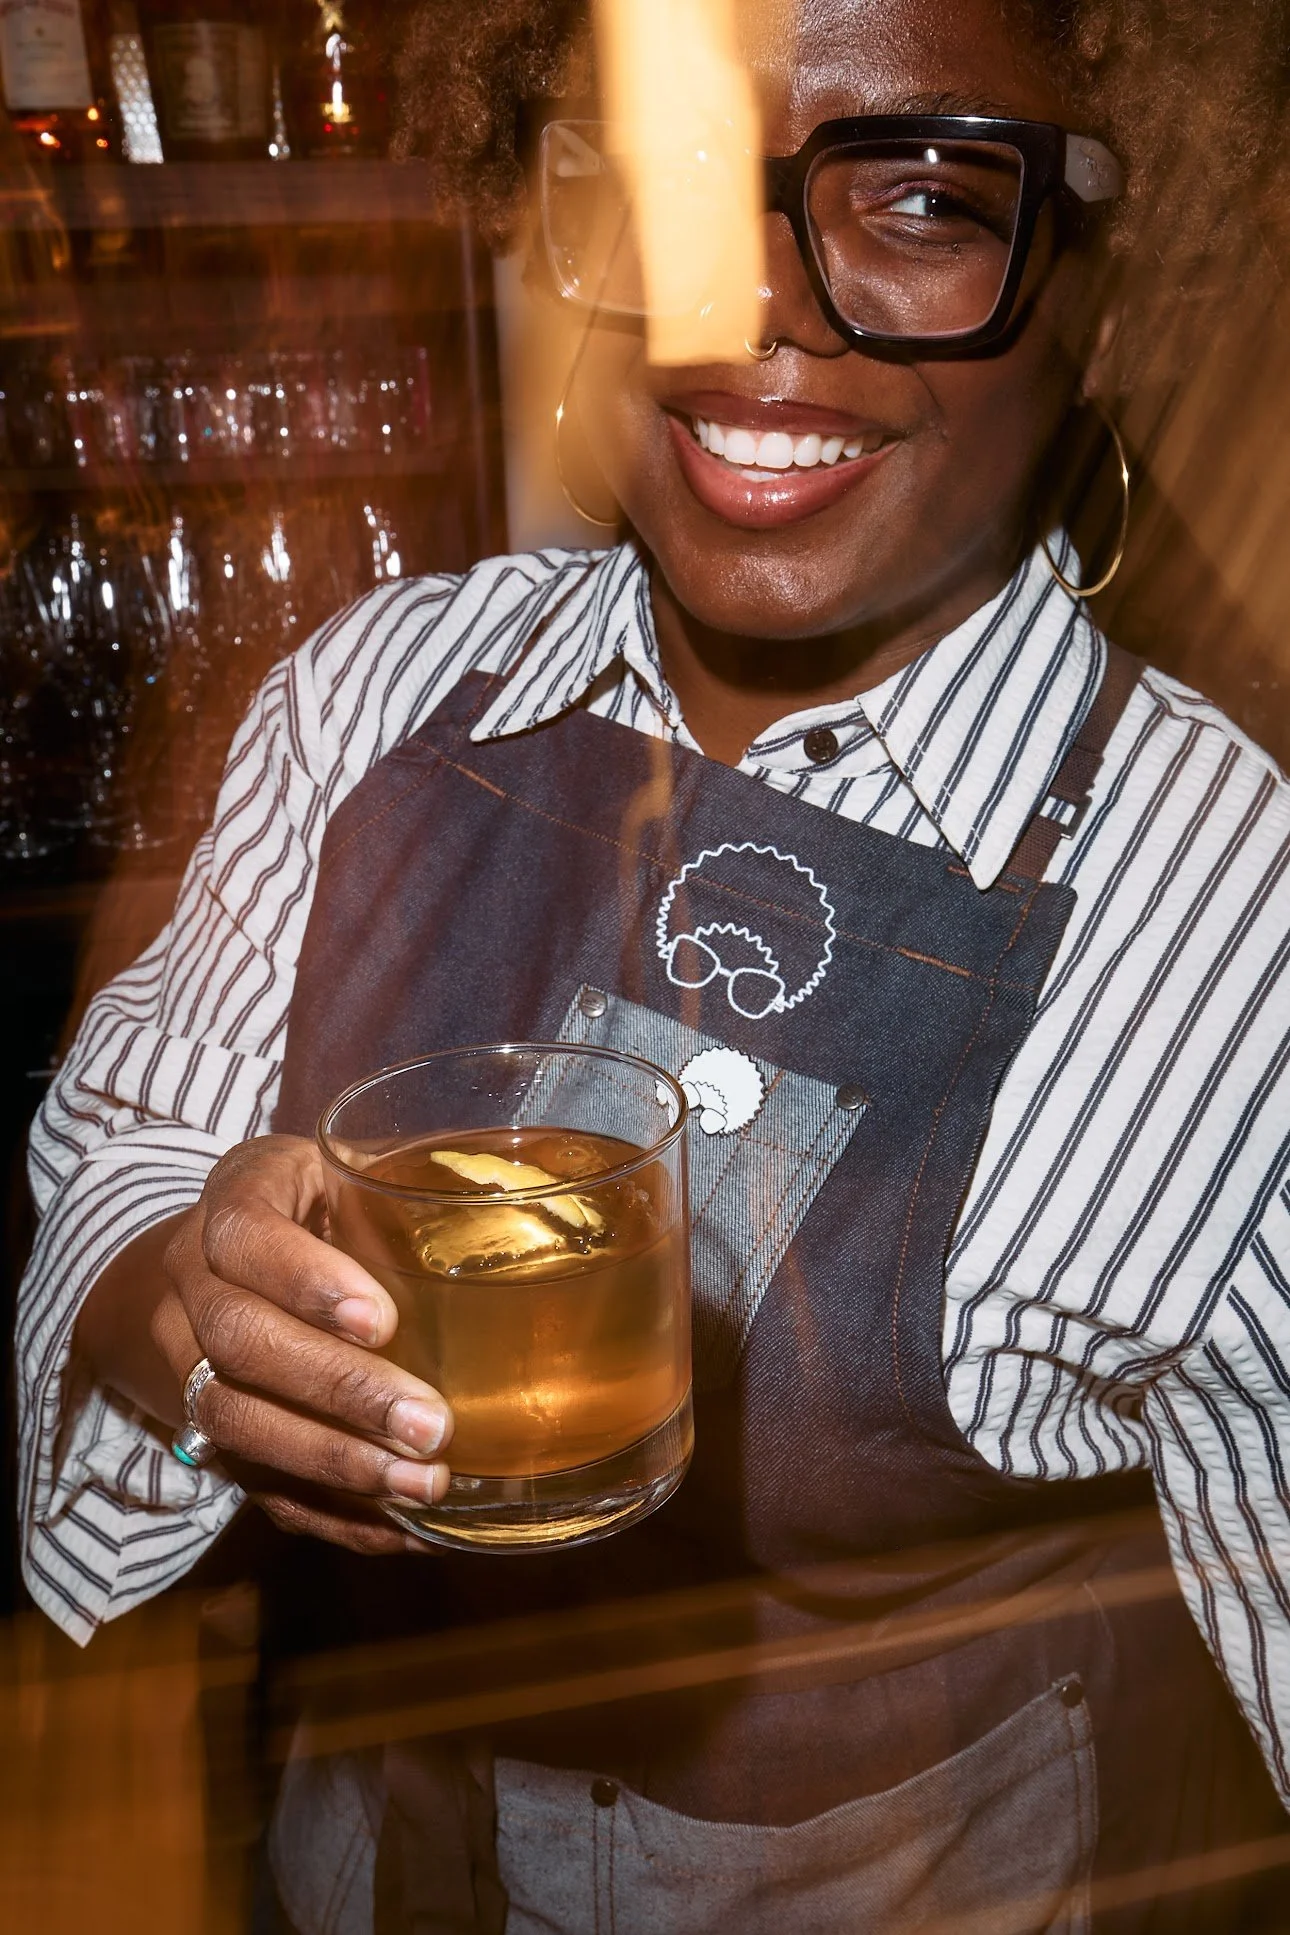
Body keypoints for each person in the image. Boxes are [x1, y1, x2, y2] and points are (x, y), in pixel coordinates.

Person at [16, 0, 1290, 1928]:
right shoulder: (368, 699)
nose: (747, 305)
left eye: (925, 201)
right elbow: (113, 1157)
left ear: (1093, 295)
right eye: (671, 185)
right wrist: (184, 1303)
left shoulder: (1228, 900)